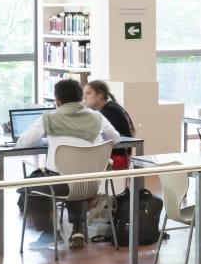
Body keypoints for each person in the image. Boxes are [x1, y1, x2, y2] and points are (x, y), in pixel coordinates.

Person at [16, 77, 122, 248]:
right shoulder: (97, 116)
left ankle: (50, 233)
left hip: (60, 184)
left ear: (57, 101)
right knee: (75, 176)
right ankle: (78, 228)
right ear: (81, 98)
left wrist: (48, 140)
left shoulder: (49, 117)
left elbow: (23, 142)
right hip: (93, 183)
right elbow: (115, 138)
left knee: (27, 187)